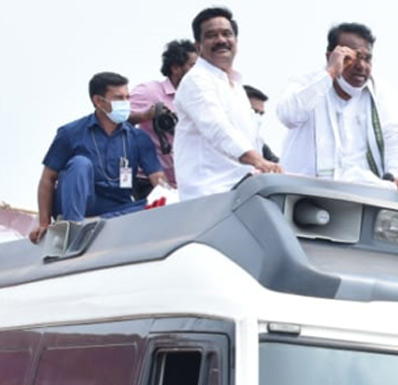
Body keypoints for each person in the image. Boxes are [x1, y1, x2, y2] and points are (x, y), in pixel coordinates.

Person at [29, 72, 167, 243]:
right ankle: (74, 225)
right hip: (80, 203)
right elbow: (47, 180)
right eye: (118, 98)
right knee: (80, 163)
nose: (125, 103)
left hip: (119, 206)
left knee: (157, 203)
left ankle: (96, 221)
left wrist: (171, 200)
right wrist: (44, 222)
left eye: (127, 97)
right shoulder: (70, 133)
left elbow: (158, 180)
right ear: (98, 101)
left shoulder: (138, 138)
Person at [277, 23, 398, 190]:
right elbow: (288, 116)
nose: (361, 66)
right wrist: (330, 73)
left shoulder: (379, 92)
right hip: (303, 192)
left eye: (366, 58)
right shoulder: (304, 83)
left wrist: (397, 175)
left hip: (361, 195)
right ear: (330, 57)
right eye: (351, 57)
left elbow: (394, 136)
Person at [174, 6, 282, 200]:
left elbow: (253, 140)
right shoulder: (197, 80)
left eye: (226, 34)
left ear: (236, 42)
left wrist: (268, 165)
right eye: (211, 35)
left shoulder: (235, 85)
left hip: (242, 189)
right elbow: (217, 128)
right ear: (198, 46)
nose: (221, 40)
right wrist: (258, 161)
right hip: (210, 195)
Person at [130, 39, 198, 187]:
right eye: (194, 66)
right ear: (175, 68)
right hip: (149, 182)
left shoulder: (201, 99)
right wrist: (145, 116)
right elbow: (115, 122)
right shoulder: (149, 91)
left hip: (189, 185)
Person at [243, 86, 279, 163]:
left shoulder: (260, 146)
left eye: (261, 114)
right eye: (254, 111)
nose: (257, 117)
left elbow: (278, 165)